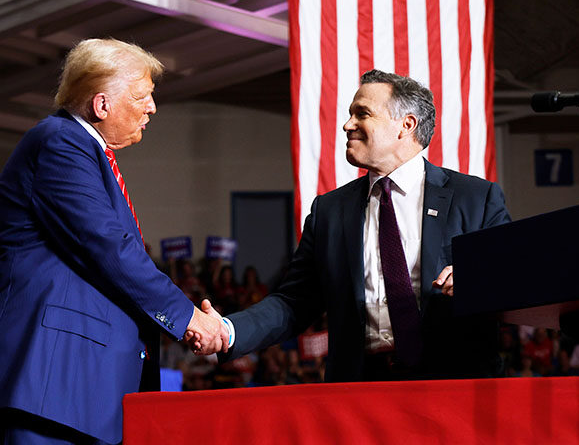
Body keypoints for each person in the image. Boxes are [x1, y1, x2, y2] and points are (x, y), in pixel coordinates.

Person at [0, 38, 227, 445]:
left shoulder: (87, 154)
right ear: (101, 105)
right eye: (142, 97)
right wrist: (188, 318)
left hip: (76, 390)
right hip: (47, 383)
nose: (152, 108)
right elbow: (107, 247)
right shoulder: (60, 143)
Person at [191, 70, 510, 382]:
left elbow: (514, 276)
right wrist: (229, 331)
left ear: (406, 125)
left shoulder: (476, 199)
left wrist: (481, 276)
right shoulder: (330, 211)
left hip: (454, 387)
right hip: (358, 393)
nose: (347, 125)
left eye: (362, 114)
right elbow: (294, 303)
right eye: (349, 114)